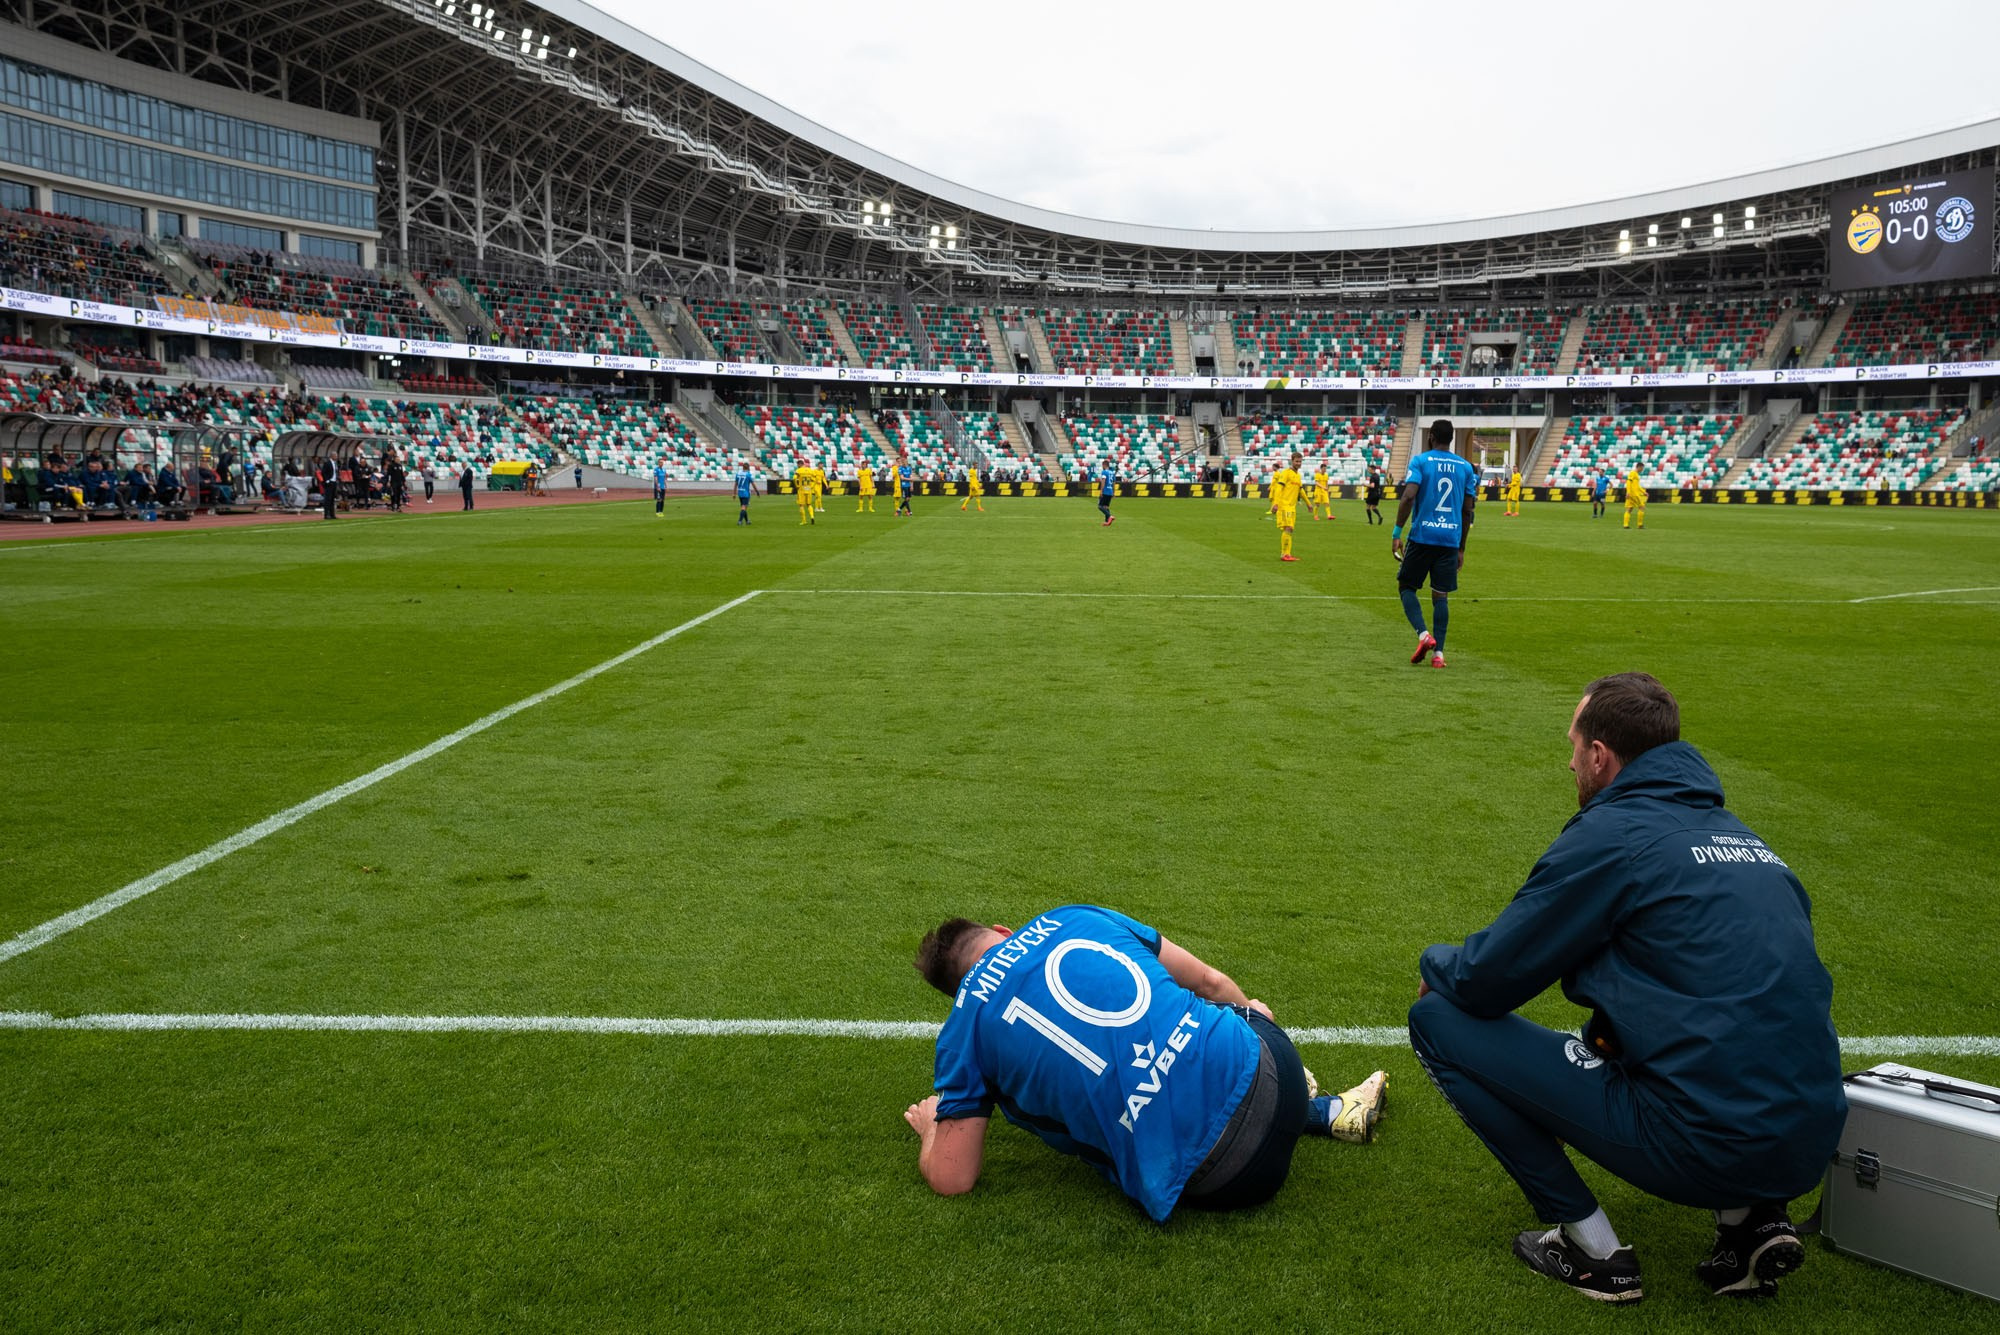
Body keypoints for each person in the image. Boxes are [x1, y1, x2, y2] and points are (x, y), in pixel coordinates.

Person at [1408, 673, 1845, 1304]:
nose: (1569, 759)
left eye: (1574, 744)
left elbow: (1486, 980)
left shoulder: (1614, 837)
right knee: (1715, 1037)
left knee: (1439, 1019)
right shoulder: (1748, 841)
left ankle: (1593, 1251)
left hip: (1707, 1143)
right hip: (1810, 1142)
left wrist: (1435, 960)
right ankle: (1750, 1221)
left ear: (1599, 755)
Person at [908, 906, 1389, 1221]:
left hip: (1229, 1182)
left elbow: (953, 1178)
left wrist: (933, 1127)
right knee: (1240, 1014)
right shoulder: (1069, 917)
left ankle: (1314, 1107)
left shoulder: (962, 1028)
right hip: (1276, 1073)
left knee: (1137, 1107)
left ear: (955, 995)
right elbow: (1211, 982)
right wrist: (1252, 1024)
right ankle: (1313, 1105)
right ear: (1002, 932)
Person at [1392, 420, 1474, 670]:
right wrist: (1461, 548)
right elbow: (1467, 510)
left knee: (1406, 586)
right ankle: (1439, 654)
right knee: (1441, 595)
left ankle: (1423, 635)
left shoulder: (1421, 461)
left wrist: (1397, 531)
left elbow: (1408, 496)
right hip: (1449, 540)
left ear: (1431, 437)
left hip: (1422, 536)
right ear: (1451, 438)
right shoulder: (1466, 467)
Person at [1265, 451, 1305, 562]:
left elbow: (1300, 491)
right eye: (1296, 461)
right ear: (1292, 461)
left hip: (1292, 506)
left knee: (1290, 529)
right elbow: (1279, 488)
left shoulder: (1297, 475)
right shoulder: (1286, 473)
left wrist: (1308, 504)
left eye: (1300, 461)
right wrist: (1276, 503)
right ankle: (1284, 554)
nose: (1298, 463)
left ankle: (1287, 554)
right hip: (1284, 505)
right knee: (1288, 528)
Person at [793, 460, 816, 526]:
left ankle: (804, 521)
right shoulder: (810, 470)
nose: (797, 466)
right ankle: (812, 516)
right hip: (808, 489)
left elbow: (794, 478)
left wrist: (797, 486)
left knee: (801, 505)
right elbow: (814, 479)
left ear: (800, 464)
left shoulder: (798, 470)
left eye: (798, 464)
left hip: (801, 490)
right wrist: (811, 487)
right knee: (809, 504)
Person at [734, 459, 756, 525]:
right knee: (744, 507)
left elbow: (735, 484)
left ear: (742, 467)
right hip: (746, 493)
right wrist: (757, 492)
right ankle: (740, 521)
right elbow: (753, 484)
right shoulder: (748, 475)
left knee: (743, 507)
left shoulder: (737, 474)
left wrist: (734, 493)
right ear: (748, 468)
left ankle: (747, 521)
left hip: (740, 492)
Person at [1097, 459, 1116, 526]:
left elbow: (1103, 481)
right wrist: (1114, 492)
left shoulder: (1104, 472)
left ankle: (1110, 516)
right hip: (1110, 491)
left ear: (1104, 465)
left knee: (1100, 506)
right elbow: (1114, 483)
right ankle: (1107, 522)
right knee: (1106, 507)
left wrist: (1101, 491)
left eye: (1102, 465)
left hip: (1105, 491)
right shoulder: (1112, 473)